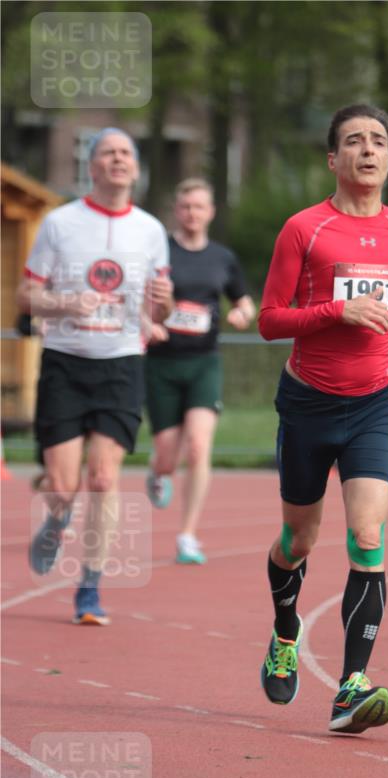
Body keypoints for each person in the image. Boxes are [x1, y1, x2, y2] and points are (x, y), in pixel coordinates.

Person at [258, 104, 388, 734]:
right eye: (354, 141)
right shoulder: (304, 229)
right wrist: (336, 312)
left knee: (368, 534)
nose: (368, 150)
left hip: (373, 403)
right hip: (308, 403)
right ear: (333, 159)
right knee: (298, 542)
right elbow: (269, 319)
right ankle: (285, 632)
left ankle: (350, 686)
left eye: (379, 141)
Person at [18, 128, 173, 625]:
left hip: (121, 364)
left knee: (104, 479)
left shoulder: (151, 230)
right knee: (63, 487)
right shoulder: (60, 223)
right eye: (108, 152)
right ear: (92, 164)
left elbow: (159, 301)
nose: (118, 160)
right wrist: (66, 302)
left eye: (127, 152)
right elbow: (26, 294)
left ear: (136, 166)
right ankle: (57, 516)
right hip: (65, 361)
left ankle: (89, 589)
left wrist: (158, 315)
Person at [144, 178, 255, 564]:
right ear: (177, 210)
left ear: (211, 212)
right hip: (161, 363)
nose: (192, 213)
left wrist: (242, 312)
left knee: (198, 444)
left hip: (204, 362)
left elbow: (244, 300)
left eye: (199, 207)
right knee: (167, 454)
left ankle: (188, 535)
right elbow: (139, 298)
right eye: (186, 206)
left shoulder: (222, 257)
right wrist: (149, 323)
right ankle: (158, 472)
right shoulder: (160, 252)